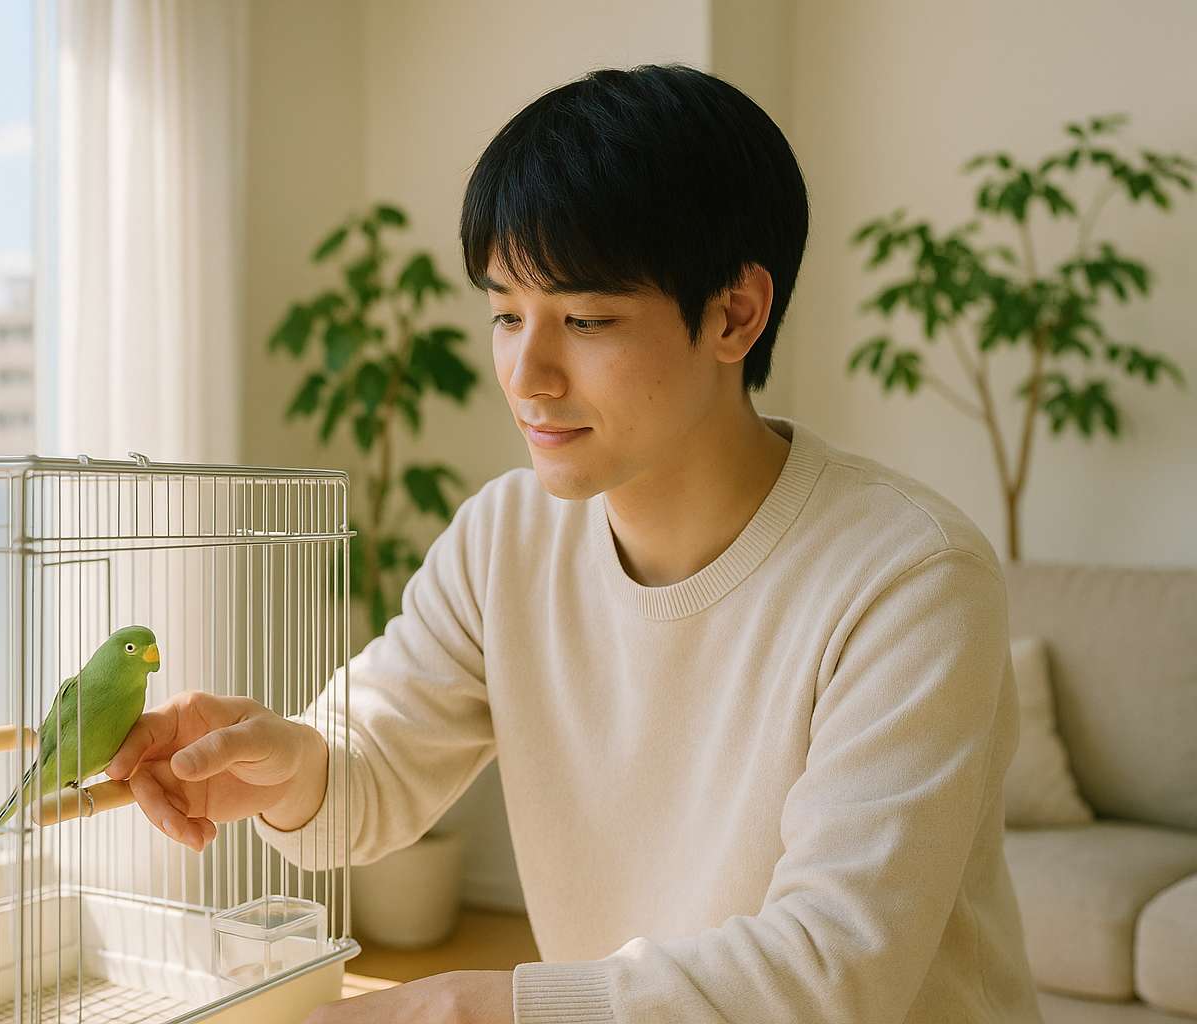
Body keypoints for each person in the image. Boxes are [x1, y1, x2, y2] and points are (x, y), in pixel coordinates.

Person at [106, 64, 1043, 1023]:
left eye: (586, 319)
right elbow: (373, 762)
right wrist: (286, 763)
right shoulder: (505, 536)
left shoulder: (911, 578)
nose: (527, 375)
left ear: (735, 314)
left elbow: (830, 973)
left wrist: (474, 1006)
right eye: (507, 315)